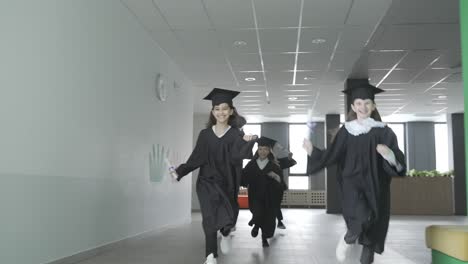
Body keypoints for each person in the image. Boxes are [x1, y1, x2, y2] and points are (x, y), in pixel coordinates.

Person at [303, 80, 406, 264]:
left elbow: (397, 159)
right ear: (352, 106)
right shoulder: (347, 131)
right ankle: (348, 238)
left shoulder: (384, 132)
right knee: (362, 215)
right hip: (352, 183)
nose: (363, 107)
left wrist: (389, 154)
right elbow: (332, 155)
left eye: (367, 103)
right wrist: (313, 151)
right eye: (358, 103)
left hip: (375, 184)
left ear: (373, 106)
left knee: (373, 225)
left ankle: (366, 258)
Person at [169, 88, 257, 264]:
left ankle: (225, 233)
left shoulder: (235, 134)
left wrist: (248, 142)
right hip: (206, 183)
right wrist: (180, 171)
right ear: (212, 111)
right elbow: (197, 157)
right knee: (209, 217)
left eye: (224, 108)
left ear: (231, 111)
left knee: (229, 216)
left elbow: (238, 157)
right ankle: (210, 255)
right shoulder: (205, 135)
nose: (220, 112)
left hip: (228, 183)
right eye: (216, 108)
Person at [241, 137, 286, 247]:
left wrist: (275, 176)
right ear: (257, 151)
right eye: (260, 149)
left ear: (269, 151)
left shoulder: (274, 166)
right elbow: (243, 177)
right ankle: (256, 224)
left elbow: (281, 183)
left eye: (265, 149)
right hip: (255, 195)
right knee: (257, 212)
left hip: (269, 197)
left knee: (267, 218)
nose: (262, 152)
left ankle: (263, 238)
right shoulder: (251, 164)